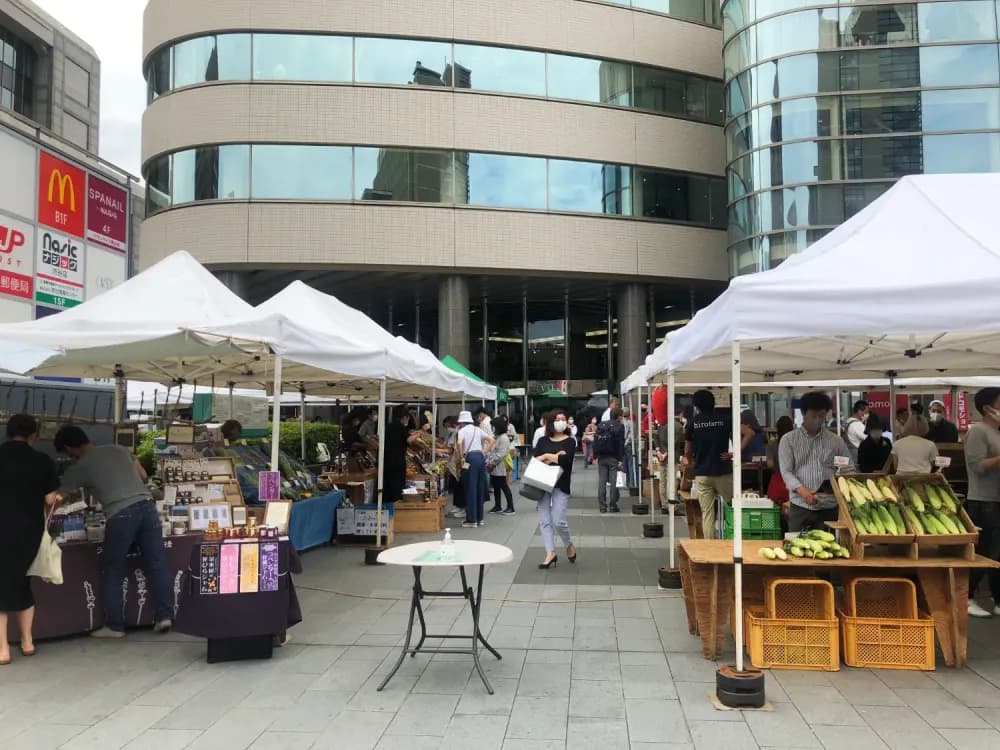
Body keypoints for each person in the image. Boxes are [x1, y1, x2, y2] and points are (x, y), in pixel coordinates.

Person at [55, 425, 173, 638]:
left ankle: (115, 626)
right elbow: (143, 475)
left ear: (69, 449)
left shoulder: (79, 466)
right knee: (157, 563)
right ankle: (165, 616)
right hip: (147, 506)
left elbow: (58, 497)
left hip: (120, 513)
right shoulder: (119, 449)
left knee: (112, 568)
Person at [0, 415, 63, 664]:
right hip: (28, 531)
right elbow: (50, 500)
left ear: (8, 432)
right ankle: (27, 642)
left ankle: (2, 649)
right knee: (23, 582)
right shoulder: (41, 460)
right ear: (33, 435)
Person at [779, 391, 855, 532]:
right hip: (800, 506)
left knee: (829, 548)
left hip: (829, 506)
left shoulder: (835, 441)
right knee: (798, 547)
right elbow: (786, 471)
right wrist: (803, 491)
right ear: (803, 413)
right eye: (813, 416)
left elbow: (847, 468)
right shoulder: (789, 440)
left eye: (821, 416)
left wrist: (840, 485)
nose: (817, 420)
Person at [965, 387, 1000, 617]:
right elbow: (977, 466)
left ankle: (998, 599)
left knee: (998, 552)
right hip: (983, 500)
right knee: (986, 550)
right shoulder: (978, 431)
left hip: (997, 498)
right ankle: (966, 596)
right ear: (988, 407)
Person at [684, 390, 733, 539]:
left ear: (696, 405)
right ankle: (733, 541)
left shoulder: (693, 423)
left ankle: (710, 546)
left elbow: (687, 450)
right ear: (714, 403)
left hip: (702, 472)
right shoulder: (725, 420)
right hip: (723, 470)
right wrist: (735, 453)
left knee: (708, 514)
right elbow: (748, 433)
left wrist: (692, 463)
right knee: (732, 508)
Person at [533, 410, 577, 569]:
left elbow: (566, 460)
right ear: (550, 422)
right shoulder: (543, 441)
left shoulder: (570, 441)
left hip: (561, 484)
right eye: (557, 419)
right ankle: (550, 553)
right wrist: (552, 455)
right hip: (542, 483)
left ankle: (568, 544)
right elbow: (535, 460)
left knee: (558, 520)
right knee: (545, 520)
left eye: (563, 419)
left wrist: (547, 457)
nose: (561, 421)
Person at [457, 410, 492, 528]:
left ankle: (471, 519)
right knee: (480, 487)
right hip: (480, 457)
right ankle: (479, 518)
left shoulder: (462, 431)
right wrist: (484, 451)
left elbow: (459, 443)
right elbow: (491, 440)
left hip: (470, 457)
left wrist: (462, 457)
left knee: (470, 487)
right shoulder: (478, 429)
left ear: (462, 422)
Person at [382, 405, 423, 506]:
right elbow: (409, 439)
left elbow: (408, 434)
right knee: (396, 488)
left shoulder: (389, 426)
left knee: (387, 487)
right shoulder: (400, 427)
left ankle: (386, 508)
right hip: (396, 462)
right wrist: (422, 431)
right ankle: (396, 509)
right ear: (404, 417)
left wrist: (416, 432)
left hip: (386, 461)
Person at [594, 408, 626, 513]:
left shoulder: (601, 425)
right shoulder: (620, 427)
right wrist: (620, 459)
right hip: (613, 457)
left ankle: (602, 506)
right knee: (613, 482)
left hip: (602, 457)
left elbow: (596, 440)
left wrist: (595, 456)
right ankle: (613, 505)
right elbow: (620, 444)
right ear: (619, 416)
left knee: (602, 481)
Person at [487, 416, 515, 515]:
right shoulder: (498, 437)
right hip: (494, 467)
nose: (492, 428)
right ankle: (497, 505)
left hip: (499, 466)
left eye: (493, 426)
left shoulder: (503, 438)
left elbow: (501, 454)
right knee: (496, 486)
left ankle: (510, 507)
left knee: (503, 486)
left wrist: (491, 463)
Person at [765, 416, 794, 503]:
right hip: (794, 484)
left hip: (777, 483)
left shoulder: (772, 445)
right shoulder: (797, 445)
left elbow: (770, 464)